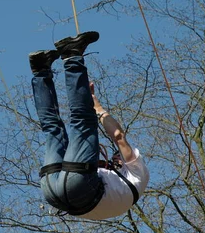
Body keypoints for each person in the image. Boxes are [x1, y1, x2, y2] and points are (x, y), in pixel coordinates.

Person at [29, 30, 149, 220]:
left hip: (79, 189)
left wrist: (96, 105)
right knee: (52, 130)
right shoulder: (118, 188)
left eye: (119, 157)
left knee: (83, 120)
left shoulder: (138, 174)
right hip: (52, 191)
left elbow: (118, 136)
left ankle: (72, 55)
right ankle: (40, 70)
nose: (117, 156)